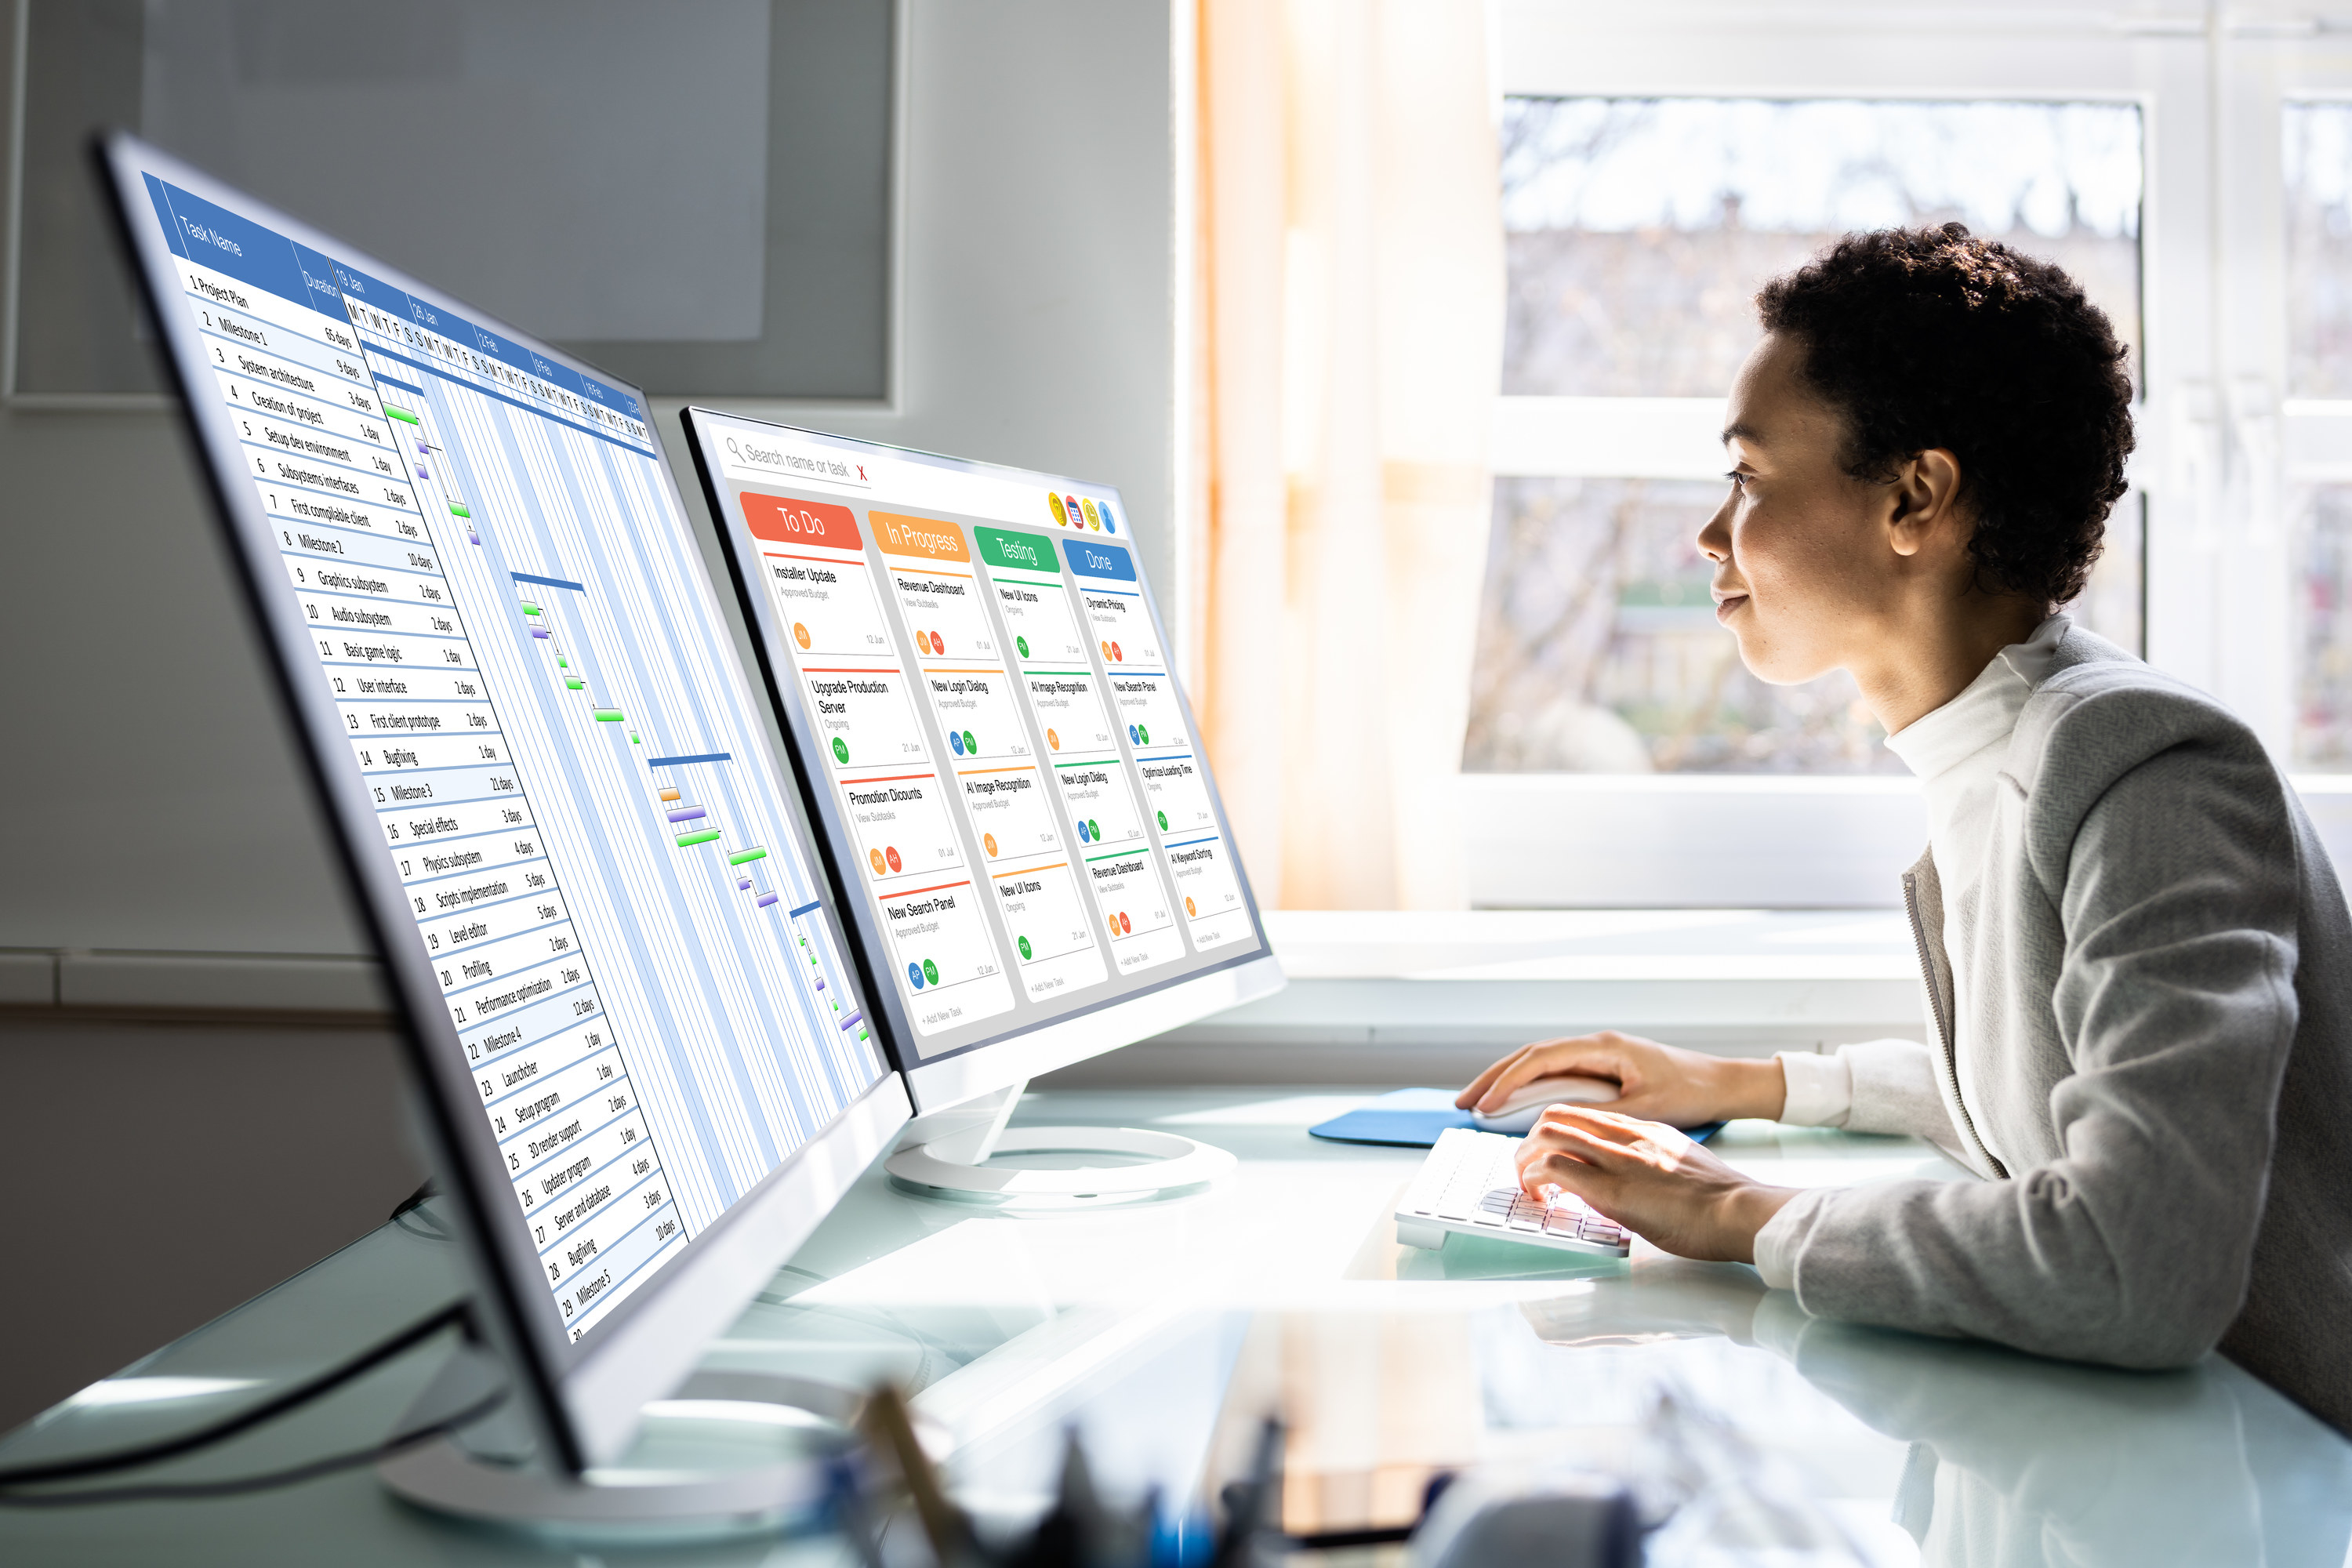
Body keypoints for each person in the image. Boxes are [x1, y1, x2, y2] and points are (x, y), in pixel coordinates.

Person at [1457, 223, 2352, 1434]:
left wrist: (1738, 1214)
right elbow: (2045, 1078)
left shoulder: (2148, 770)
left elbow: (2141, 1264)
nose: (1712, 536)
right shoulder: (2006, 750)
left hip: (2288, 1482)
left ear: (1914, 499)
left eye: (1752, 477)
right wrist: (1750, 1083)